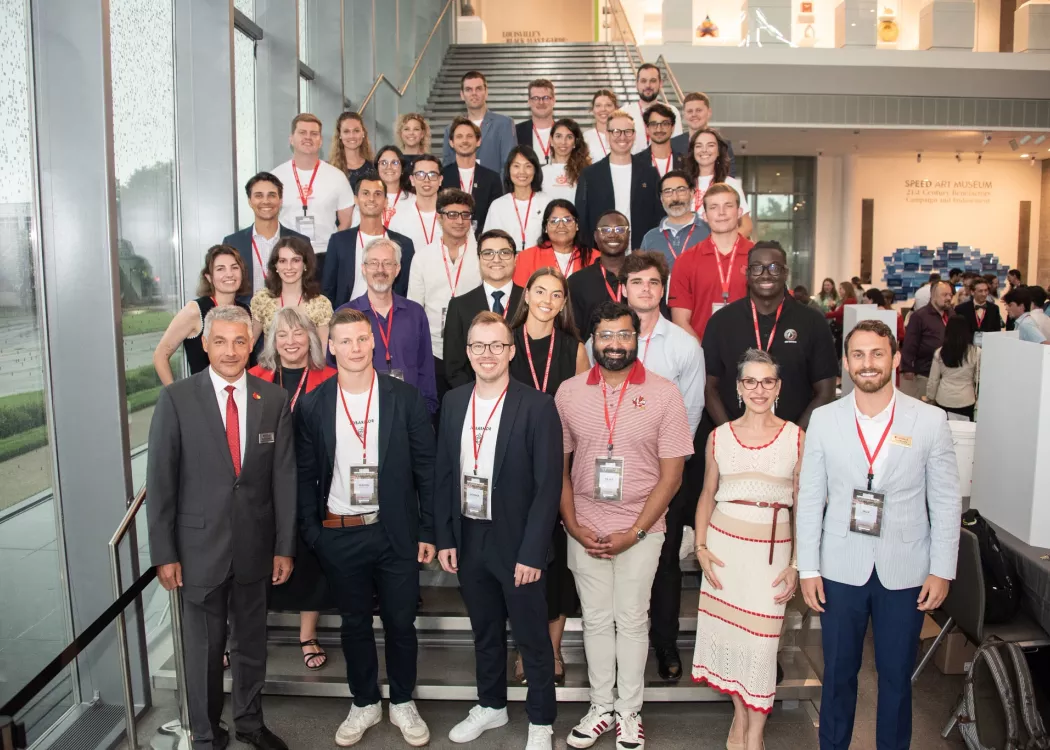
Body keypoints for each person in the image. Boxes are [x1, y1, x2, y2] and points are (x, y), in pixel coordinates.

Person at [798, 319, 961, 750]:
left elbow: (946, 503)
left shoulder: (929, 420)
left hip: (905, 570)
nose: (867, 364)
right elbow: (811, 497)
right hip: (839, 567)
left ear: (895, 358)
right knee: (837, 675)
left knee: (895, 679)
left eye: (876, 354)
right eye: (858, 355)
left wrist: (942, 570)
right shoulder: (825, 419)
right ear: (846, 363)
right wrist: (808, 568)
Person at [148, 305, 295, 750]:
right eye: (220, 341)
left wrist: (284, 546)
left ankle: (250, 723)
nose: (230, 351)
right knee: (205, 653)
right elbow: (160, 482)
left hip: (255, 548)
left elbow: (283, 479)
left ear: (251, 345)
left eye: (239, 341)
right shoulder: (177, 399)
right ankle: (207, 734)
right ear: (205, 344)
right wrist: (164, 553)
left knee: (251, 646)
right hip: (197, 552)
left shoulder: (272, 400)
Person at [295, 308, 436, 748]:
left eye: (362, 339)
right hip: (338, 531)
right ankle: (363, 702)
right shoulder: (313, 405)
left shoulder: (403, 398)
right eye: (345, 341)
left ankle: (402, 701)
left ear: (372, 343)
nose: (355, 348)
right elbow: (303, 474)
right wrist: (313, 533)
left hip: (394, 531)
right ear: (331, 347)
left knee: (400, 621)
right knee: (354, 624)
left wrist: (428, 531)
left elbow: (426, 469)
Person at [557, 301, 693, 750]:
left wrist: (634, 532)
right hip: (586, 528)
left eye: (624, 335)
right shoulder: (569, 392)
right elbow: (558, 469)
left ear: (638, 339)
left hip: (642, 530)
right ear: (592, 340)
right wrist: (573, 526)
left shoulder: (664, 392)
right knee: (596, 621)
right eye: (606, 336)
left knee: (633, 621)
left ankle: (629, 712)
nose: (615, 344)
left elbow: (672, 476)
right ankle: (601, 707)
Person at [435, 312, 564, 750]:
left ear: (511, 351)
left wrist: (532, 552)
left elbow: (549, 488)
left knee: (531, 638)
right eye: (478, 346)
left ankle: (541, 721)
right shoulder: (454, 402)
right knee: (485, 632)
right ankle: (490, 706)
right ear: (467, 352)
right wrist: (446, 537)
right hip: (469, 537)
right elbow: (443, 475)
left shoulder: (538, 405)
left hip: (517, 541)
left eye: (496, 345)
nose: (486, 354)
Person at [691, 349, 802, 749]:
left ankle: (754, 734)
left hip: (771, 557)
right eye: (750, 381)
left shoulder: (795, 436)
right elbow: (706, 494)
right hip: (725, 553)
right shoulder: (719, 436)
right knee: (733, 646)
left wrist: (796, 563)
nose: (759, 389)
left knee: (761, 644)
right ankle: (741, 721)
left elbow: (803, 502)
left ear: (778, 388)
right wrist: (701, 547)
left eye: (767, 381)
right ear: (739, 388)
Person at [605, 252, 706, 681]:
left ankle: (664, 643)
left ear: (662, 290)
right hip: (612, 472)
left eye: (653, 282)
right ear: (622, 289)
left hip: (664, 475)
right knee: (613, 559)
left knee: (663, 563)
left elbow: (693, 413)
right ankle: (613, 644)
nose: (645, 289)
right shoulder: (607, 338)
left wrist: (663, 469)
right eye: (637, 282)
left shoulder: (684, 345)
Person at [507, 266, 590, 686]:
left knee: (555, 563)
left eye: (556, 294)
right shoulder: (506, 340)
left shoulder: (573, 346)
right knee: (518, 559)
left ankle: (553, 652)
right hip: (513, 461)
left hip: (559, 461)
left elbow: (582, 407)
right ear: (527, 295)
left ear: (563, 303)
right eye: (540, 291)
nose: (547, 299)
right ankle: (526, 651)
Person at [248, 308, 336, 672]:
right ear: (272, 341)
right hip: (263, 483)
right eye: (282, 335)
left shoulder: (330, 377)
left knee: (309, 559)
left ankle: (307, 634)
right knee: (253, 557)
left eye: (298, 333)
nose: (290, 341)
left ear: (311, 338)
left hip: (311, 482)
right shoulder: (255, 377)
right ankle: (242, 634)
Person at [702, 241, 837, 436]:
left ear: (785, 273)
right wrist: (730, 436)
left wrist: (793, 438)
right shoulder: (721, 322)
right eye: (757, 268)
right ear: (747, 274)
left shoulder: (812, 322)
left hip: (796, 443)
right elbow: (708, 389)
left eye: (774, 267)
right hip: (734, 444)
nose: (765, 274)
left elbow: (826, 392)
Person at [339, 237, 438, 414]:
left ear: (397, 269)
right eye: (374, 263)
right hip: (362, 412)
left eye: (387, 263)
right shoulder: (345, 315)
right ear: (363, 268)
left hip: (410, 412)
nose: (380, 270)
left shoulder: (415, 313)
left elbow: (426, 368)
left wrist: (427, 410)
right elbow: (334, 368)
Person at [406, 189, 483, 401]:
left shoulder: (482, 256)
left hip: (474, 347)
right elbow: (415, 307)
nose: (459, 221)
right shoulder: (423, 257)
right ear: (440, 218)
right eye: (452, 214)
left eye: (465, 215)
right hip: (434, 349)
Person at [153, 245, 252, 384]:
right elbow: (160, 356)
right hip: (202, 400)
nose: (229, 274)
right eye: (220, 269)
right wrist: (175, 398)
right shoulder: (194, 311)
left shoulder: (245, 311)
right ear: (209, 277)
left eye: (234, 267)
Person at [668, 183, 752, 342]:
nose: (721, 212)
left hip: (751, 356)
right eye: (714, 207)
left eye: (728, 205)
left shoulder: (757, 256)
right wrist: (703, 354)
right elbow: (680, 321)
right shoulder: (685, 261)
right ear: (705, 216)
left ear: (739, 212)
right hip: (701, 355)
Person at [444, 229, 524, 389]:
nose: (496, 259)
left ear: (515, 258)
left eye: (504, 253)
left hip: (525, 398)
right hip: (476, 398)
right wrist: (479, 395)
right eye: (488, 253)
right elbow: (454, 367)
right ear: (479, 258)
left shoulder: (530, 301)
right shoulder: (459, 306)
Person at [323, 172, 417, 309]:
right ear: (356, 199)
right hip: (348, 320)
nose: (371, 199)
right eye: (365, 193)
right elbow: (328, 290)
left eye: (378, 194)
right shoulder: (339, 242)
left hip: (390, 319)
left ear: (386, 201)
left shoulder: (404, 244)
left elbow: (407, 290)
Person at [575, 109, 663, 250]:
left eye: (628, 131)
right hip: (602, 255)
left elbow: (658, 216)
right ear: (607, 136)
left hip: (641, 254)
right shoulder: (590, 175)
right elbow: (583, 220)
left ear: (634, 135)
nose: (622, 137)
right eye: (616, 131)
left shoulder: (649, 174)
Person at [271, 113, 355, 257]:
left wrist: (333, 247)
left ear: (320, 141)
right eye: (302, 133)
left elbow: (346, 222)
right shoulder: (275, 177)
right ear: (291, 139)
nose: (308, 137)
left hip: (326, 254)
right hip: (287, 256)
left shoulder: (337, 177)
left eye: (314, 134)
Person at [224, 172, 310, 295]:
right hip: (246, 312)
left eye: (271, 195)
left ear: (280, 201)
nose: (265, 201)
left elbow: (309, 283)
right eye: (259, 196)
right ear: (250, 201)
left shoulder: (301, 242)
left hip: (288, 311)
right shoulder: (232, 243)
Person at [250, 236, 333, 346]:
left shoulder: (320, 304)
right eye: (282, 261)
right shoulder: (262, 299)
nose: (289, 267)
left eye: (295, 260)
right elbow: (249, 345)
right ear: (275, 266)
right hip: (270, 363)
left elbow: (323, 352)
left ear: (305, 265)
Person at [682, 128, 752, 238]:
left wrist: (723, 244)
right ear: (693, 151)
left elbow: (747, 226)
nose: (704, 150)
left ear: (718, 151)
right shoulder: (683, 183)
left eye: (710, 145)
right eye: (699, 146)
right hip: (687, 248)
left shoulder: (730, 184)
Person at [441, 71, 516, 171]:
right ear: (462, 95)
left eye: (478, 89)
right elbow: (447, 167)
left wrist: (497, 186)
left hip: (494, 185)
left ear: (486, 92)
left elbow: (509, 165)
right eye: (468, 89)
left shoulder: (504, 124)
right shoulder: (450, 129)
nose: (474, 93)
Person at [441, 117, 504, 236]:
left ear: (478, 141)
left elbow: (496, 215)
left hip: (482, 241)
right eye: (459, 136)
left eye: (469, 136)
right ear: (451, 142)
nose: (465, 141)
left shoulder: (492, 178)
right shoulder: (442, 177)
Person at [568, 210, 629, 332]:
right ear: (595, 236)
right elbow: (572, 332)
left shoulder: (642, 277)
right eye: (605, 230)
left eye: (620, 230)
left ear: (628, 235)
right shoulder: (577, 282)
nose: (613, 235)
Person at [482, 145, 551, 252]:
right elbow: (488, 243)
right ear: (508, 170)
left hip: (540, 263)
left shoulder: (547, 202)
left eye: (528, 166)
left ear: (535, 170)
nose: (522, 172)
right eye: (516, 166)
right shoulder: (498, 205)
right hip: (506, 264)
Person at [513, 200, 599, 286]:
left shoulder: (595, 258)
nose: (561, 225)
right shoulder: (526, 258)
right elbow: (520, 296)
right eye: (554, 221)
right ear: (545, 227)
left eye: (567, 220)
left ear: (576, 225)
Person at [638, 170, 709, 273]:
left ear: (692, 193)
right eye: (668, 192)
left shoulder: (708, 231)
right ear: (661, 198)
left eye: (681, 190)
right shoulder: (650, 238)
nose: (675, 198)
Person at [900, 279, 952, 398]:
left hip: (946, 373)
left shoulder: (951, 314)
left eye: (950, 294)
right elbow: (910, 343)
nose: (949, 298)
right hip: (925, 372)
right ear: (933, 296)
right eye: (945, 295)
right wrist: (908, 368)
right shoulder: (919, 316)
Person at [388, 154, 444, 259]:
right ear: (412, 180)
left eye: (432, 174)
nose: (426, 180)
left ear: (440, 179)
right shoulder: (398, 217)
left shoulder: (452, 215)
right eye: (420, 174)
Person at [927, 316, 981, 421]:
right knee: (964, 433)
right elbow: (977, 378)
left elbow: (933, 379)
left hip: (944, 398)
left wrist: (930, 397)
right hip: (966, 399)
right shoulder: (976, 352)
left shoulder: (940, 352)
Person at [671, 92, 736, 177]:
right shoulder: (672, 144)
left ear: (709, 112)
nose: (694, 115)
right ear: (684, 115)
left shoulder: (723, 145)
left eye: (698, 110)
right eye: (690, 111)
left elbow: (729, 178)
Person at [627, 63, 683, 155]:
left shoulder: (671, 111)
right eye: (643, 81)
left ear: (660, 84)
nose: (648, 85)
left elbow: (677, 145)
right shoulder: (625, 113)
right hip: (634, 167)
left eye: (653, 81)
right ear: (636, 84)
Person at [541, 118, 591, 203]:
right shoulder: (541, 172)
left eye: (569, 137)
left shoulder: (585, 172)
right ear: (551, 140)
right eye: (558, 136)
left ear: (575, 142)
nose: (563, 142)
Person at [328, 111, 375, 193]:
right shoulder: (330, 170)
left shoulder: (374, 168)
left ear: (363, 133)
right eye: (346, 131)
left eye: (356, 131)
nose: (352, 136)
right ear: (340, 135)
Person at [516, 78, 557, 164]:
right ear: (529, 102)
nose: (541, 102)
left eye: (546, 98)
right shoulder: (515, 132)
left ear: (553, 101)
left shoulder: (566, 132)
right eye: (535, 98)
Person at [374, 145, 415, 229]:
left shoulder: (414, 200)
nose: (389, 167)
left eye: (395, 163)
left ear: (402, 168)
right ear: (377, 168)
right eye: (383, 163)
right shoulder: (367, 198)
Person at [955, 276, 1001, 345]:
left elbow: (997, 332)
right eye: (980, 291)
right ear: (972, 292)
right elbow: (958, 332)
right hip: (968, 349)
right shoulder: (961, 309)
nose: (984, 294)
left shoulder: (994, 309)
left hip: (988, 348)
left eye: (986, 290)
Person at [640, 103, 683, 178]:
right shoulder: (636, 162)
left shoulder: (686, 163)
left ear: (672, 128)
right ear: (647, 129)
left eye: (665, 124)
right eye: (653, 124)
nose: (659, 129)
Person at [582, 89, 618, 160]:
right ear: (593, 110)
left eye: (608, 105)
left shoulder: (624, 135)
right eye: (598, 105)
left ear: (616, 109)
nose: (603, 109)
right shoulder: (585, 138)